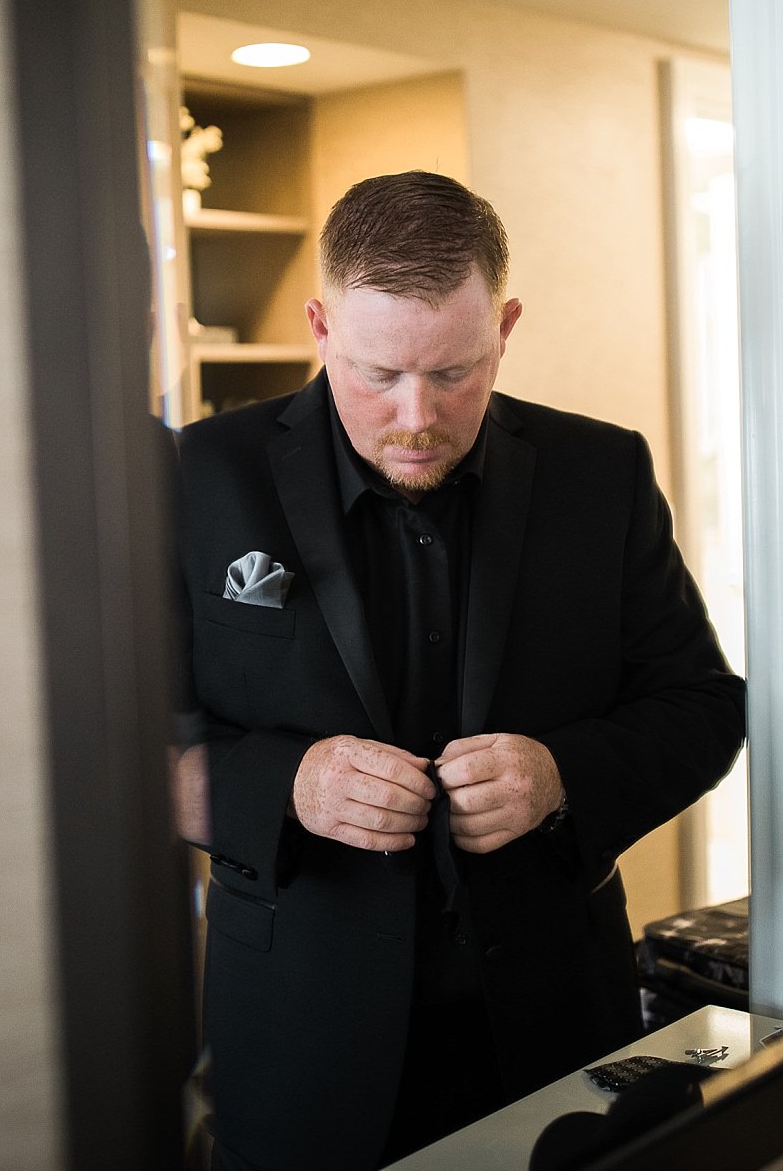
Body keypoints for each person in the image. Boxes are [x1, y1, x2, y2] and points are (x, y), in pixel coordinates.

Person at [174, 171, 745, 1171]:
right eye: (377, 373)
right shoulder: (196, 478)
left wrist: (563, 775)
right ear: (319, 325)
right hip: (298, 1033)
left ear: (506, 327)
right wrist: (288, 785)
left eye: (454, 372)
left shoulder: (600, 474)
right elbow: (114, 751)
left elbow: (702, 706)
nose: (416, 416)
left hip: (554, 1018)